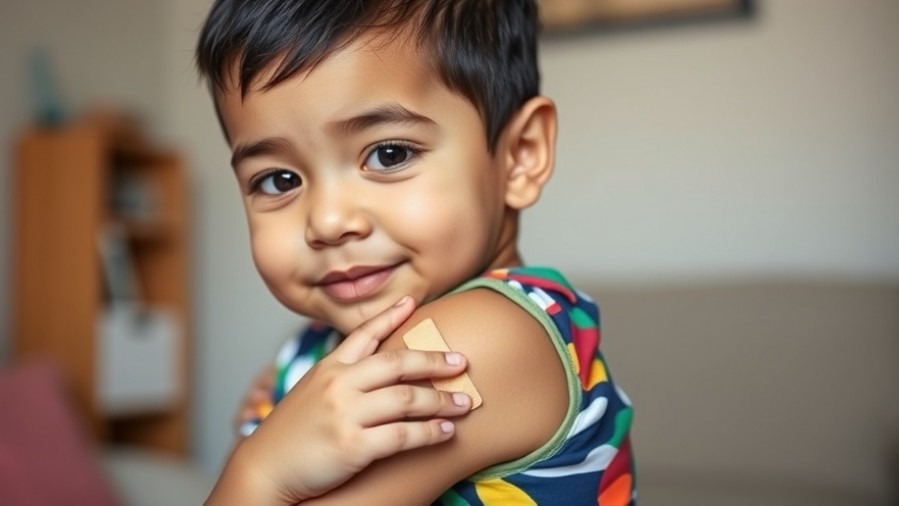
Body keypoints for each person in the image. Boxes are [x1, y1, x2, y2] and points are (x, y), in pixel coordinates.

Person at [196, 0, 636, 504]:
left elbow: (250, 481)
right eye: (279, 180)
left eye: (389, 154)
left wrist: (257, 468)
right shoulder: (314, 351)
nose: (328, 221)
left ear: (520, 156)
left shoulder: (480, 340)